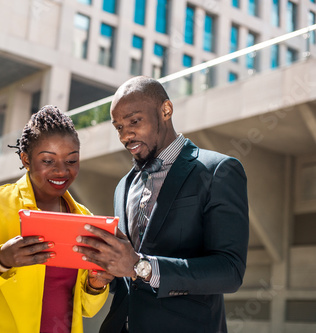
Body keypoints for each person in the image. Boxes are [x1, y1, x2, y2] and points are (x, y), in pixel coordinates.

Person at [73, 76, 249, 332]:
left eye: (134, 121)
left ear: (166, 110)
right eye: (118, 127)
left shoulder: (217, 171)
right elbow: (129, 277)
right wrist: (103, 275)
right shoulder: (123, 186)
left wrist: (140, 266)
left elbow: (230, 271)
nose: (125, 135)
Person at [0, 105, 113, 333]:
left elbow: (85, 309)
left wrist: (96, 284)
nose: (61, 171)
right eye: (48, 161)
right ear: (25, 159)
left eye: (71, 161)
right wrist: (1, 260)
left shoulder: (84, 218)